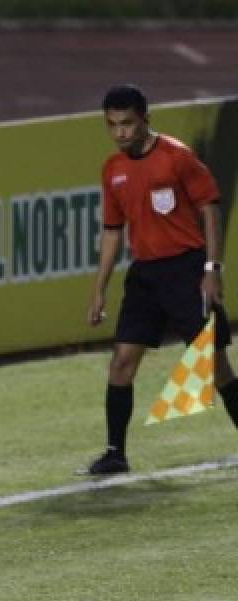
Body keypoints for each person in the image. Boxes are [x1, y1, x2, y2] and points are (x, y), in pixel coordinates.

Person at [84, 84, 238, 475]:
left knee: (215, 367)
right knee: (121, 362)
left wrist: (211, 269)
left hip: (187, 270)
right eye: (112, 125)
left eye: (128, 124)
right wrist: (99, 289)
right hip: (146, 276)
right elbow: (113, 231)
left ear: (145, 120)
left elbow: (210, 210)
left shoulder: (177, 157)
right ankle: (115, 453)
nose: (121, 133)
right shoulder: (112, 170)